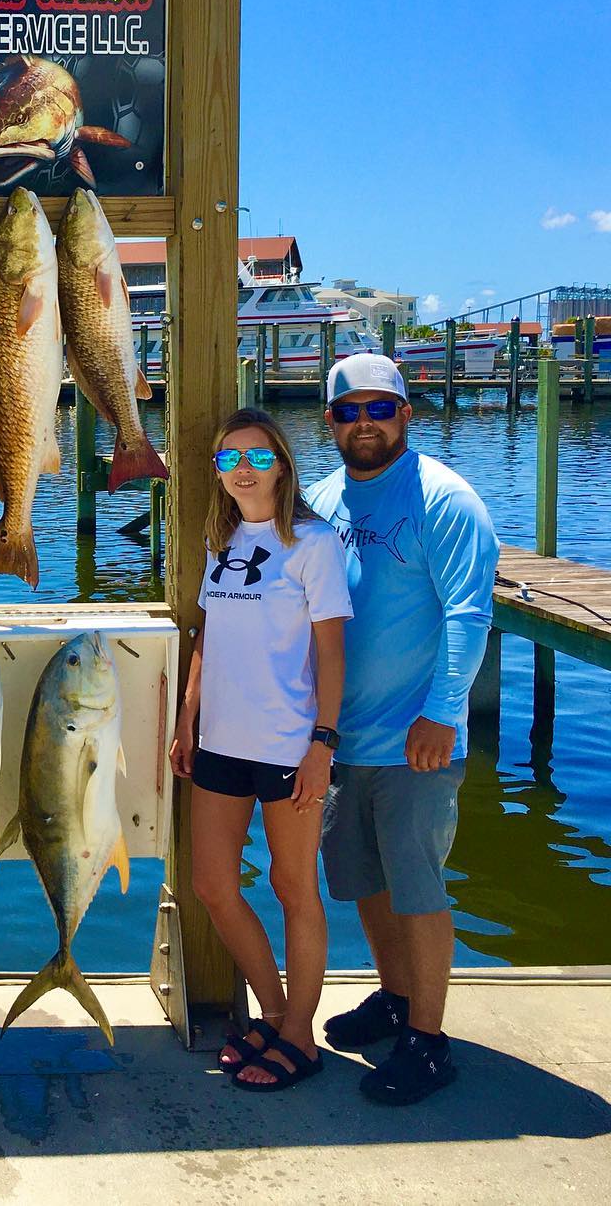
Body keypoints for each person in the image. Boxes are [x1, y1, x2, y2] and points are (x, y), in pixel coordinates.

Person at [305, 353, 498, 1105]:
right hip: (338, 741)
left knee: (417, 886)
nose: (364, 423)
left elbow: (469, 613)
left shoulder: (445, 500)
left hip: (417, 739)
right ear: (331, 422)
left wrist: (444, 712)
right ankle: (394, 999)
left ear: (406, 413)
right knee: (364, 881)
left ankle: (429, 1039)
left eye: (379, 408)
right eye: (348, 411)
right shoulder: (319, 500)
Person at [169, 407, 352, 1093]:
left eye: (254, 455)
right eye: (227, 459)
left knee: (293, 887)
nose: (241, 469)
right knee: (214, 886)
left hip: (287, 745)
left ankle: (301, 1036)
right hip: (220, 743)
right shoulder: (220, 541)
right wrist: (188, 718)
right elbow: (206, 638)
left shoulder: (312, 544)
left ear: (280, 461)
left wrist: (322, 745)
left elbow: (332, 653)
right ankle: (275, 1012)